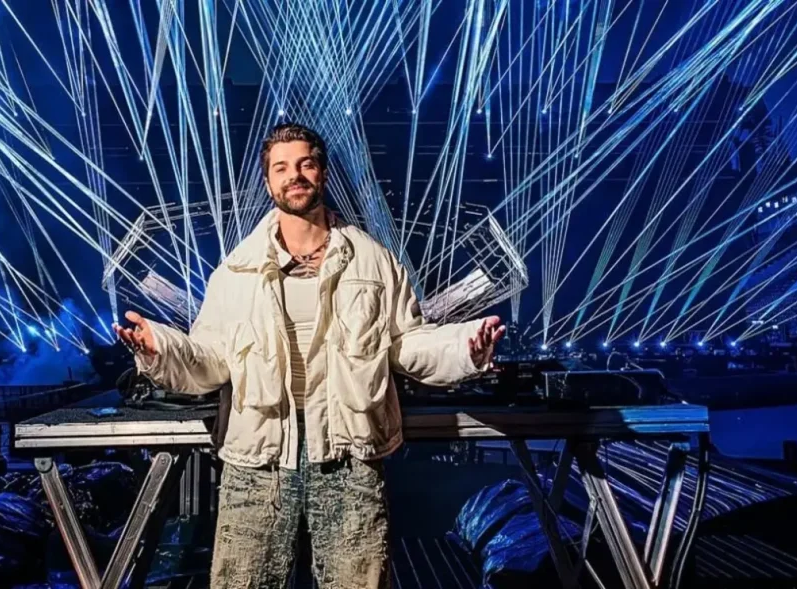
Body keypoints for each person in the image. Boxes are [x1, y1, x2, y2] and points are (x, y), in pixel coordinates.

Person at [115, 122, 506, 588]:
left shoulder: (373, 261)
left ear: (321, 173)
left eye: (305, 164)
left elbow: (409, 344)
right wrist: (161, 348)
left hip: (348, 455)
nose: (293, 175)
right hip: (258, 460)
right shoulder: (235, 272)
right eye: (281, 167)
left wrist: (466, 347)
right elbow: (210, 361)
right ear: (268, 182)